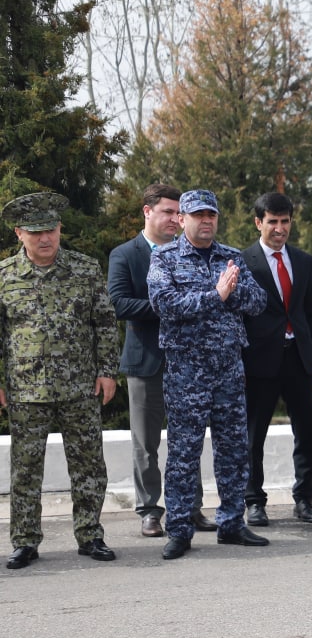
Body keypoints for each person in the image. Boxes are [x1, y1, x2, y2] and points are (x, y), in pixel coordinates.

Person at [147, 189, 269, 560]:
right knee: (184, 453)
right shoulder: (165, 258)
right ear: (181, 220)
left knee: (233, 451)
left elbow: (259, 302)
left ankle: (232, 523)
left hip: (229, 368)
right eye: (198, 215)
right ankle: (180, 529)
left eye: (211, 215)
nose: (206, 221)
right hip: (187, 370)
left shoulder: (231, 257)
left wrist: (231, 294)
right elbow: (163, 304)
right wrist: (216, 295)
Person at [1, 192, 118, 569]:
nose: (45, 239)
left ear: (60, 228)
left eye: (51, 230)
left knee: (88, 465)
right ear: (19, 233)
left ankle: (90, 535)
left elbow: (104, 323)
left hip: (80, 387)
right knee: (25, 469)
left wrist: (107, 371)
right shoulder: (4, 278)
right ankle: (25, 541)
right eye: (35, 233)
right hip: (25, 390)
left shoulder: (85, 270)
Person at [108, 183, 217, 539]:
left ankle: (190, 507)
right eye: (167, 212)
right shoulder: (126, 255)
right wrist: (170, 305)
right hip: (146, 362)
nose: (174, 219)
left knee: (188, 441)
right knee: (146, 443)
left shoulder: (194, 253)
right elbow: (119, 304)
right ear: (147, 211)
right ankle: (151, 510)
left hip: (189, 361)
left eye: (177, 212)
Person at [241, 192, 312, 527]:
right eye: (272, 221)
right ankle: (254, 502)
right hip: (259, 361)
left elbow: (310, 313)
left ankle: (304, 500)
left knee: (305, 434)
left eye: (285, 221)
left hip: (299, 360)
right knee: (253, 436)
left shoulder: (303, 261)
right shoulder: (243, 261)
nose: (279, 228)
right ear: (258, 222)